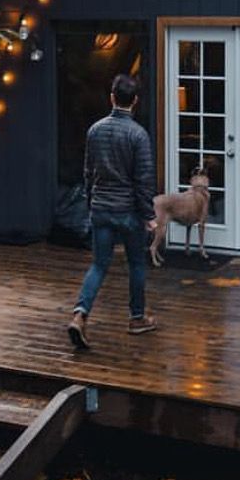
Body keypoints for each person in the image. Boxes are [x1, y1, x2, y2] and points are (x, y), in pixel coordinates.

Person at [68, 73, 158, 348]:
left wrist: (90, 202)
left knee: (99, 264)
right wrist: (149, 215)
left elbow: (88, 172)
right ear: (135, 101)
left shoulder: (95, 130)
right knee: (136, 264)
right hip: (128, 211)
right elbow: (143, 180)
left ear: (112, 98)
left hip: (101, 209)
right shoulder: (138, 135)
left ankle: (80, 315)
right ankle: (136, 318)